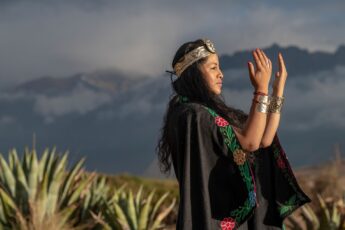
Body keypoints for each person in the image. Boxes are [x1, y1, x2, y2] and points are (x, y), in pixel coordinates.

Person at [156, 38, 311, 230]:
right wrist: (261, 90)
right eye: (213, 68)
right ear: (194, 72)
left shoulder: (207, 113)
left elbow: (264, 140)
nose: (221, 74)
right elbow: (250, 142)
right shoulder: (193, 115)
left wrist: (276, 92)